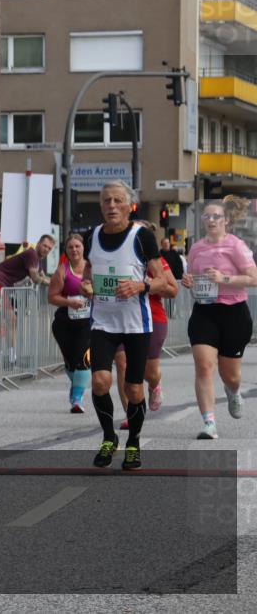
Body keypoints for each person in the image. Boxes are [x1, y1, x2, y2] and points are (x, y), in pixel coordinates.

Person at [80, 181, 168, 470]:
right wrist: (86, 284)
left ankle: (134, 442)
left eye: (118, 200)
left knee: (134, 390)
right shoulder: (91, 236)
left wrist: (140, 286)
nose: (112, 206)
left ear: (130, 206)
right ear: (101, 205)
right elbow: (88, 271)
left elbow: (163, 281)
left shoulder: (142, 237)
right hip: (102, 322)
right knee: (100, 382)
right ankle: (109, 438)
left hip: (135, 324)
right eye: (107, 201)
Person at [181, 196, 257, 439]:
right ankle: (209, 423)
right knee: (204, 366)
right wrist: (188, 281)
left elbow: (254, 278)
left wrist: (224, 278)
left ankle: (233, 391)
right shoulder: (196, 248)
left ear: (226, 221)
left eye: (216, 216)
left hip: (234, 313)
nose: (211, 220)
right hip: (205, 312)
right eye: (207, 216)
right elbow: (192, 277)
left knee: (230, 376)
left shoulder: (236, 246)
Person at [114, 221, 179, 426]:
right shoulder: (116, 257)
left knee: (148, 372)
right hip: (121, 318)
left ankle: (154, 384)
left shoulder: (157, 262)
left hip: (152, 318)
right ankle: (130, 414)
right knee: (122, 363)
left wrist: (147, 286)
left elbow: (173, 290)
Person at [0, 234, 55, 366]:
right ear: (38, 243)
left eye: (49, 248)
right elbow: (36, 278)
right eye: (45, 246)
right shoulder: (31, 254)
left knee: (10, 320)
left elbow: (43, 277)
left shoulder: (37, 260)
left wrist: (57, 283)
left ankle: (10, 357)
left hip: (1, 285)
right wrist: (49, 282)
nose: (46, 249)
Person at [48, 234, 92, 413]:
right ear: (66, 250)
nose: (74, 250)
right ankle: (76, 387)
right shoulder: (62, 271)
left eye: (77, 246)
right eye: (70, 247)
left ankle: (77, 399)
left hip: (87, 323)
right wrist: (69, 302)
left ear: (83, 248)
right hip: (65, 323)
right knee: (71, 363)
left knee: (83, 360)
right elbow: (52, 297)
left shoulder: (92, 267)